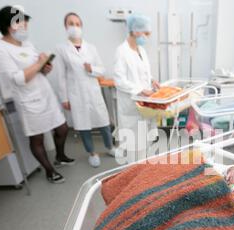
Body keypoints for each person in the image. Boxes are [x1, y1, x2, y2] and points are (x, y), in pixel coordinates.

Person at [0, 6, 74, 184]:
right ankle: (49, 171)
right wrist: (40, 63)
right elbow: (18, 78)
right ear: (8, 25)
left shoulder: (28, 45)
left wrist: (45, 68)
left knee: (62, 128)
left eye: (25, 22)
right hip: (28, 100)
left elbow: (37, 70)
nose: (25, 26)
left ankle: (60, 156)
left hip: (45, 94)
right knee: (37, 138)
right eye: (20, 22)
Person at [55, 12, 117, 168]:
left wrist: (92, 69)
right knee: (83, 126)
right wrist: (64, 98)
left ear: (81, 26)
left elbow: (102, 69)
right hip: (76, 94)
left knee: (103, 122)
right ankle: (92, 153)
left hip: (93, 90)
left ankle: (110, 147)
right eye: (71, 23)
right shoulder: (61, 49)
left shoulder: (91, 48)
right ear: (65, 27)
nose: (74, 27)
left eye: (77, 23)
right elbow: (61, 75)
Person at [113, 13, 160, 162]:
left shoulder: (141, 50)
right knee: (134, 145)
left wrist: (152, 80)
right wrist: (139, 90)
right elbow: (119, 80)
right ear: (135, 31)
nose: (147, 37)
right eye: (146, 33)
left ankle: (142, 170)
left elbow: (144, 73)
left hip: (144, 104)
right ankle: (133, 173)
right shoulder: (122, 51)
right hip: (131, 106)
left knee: (145, 142)